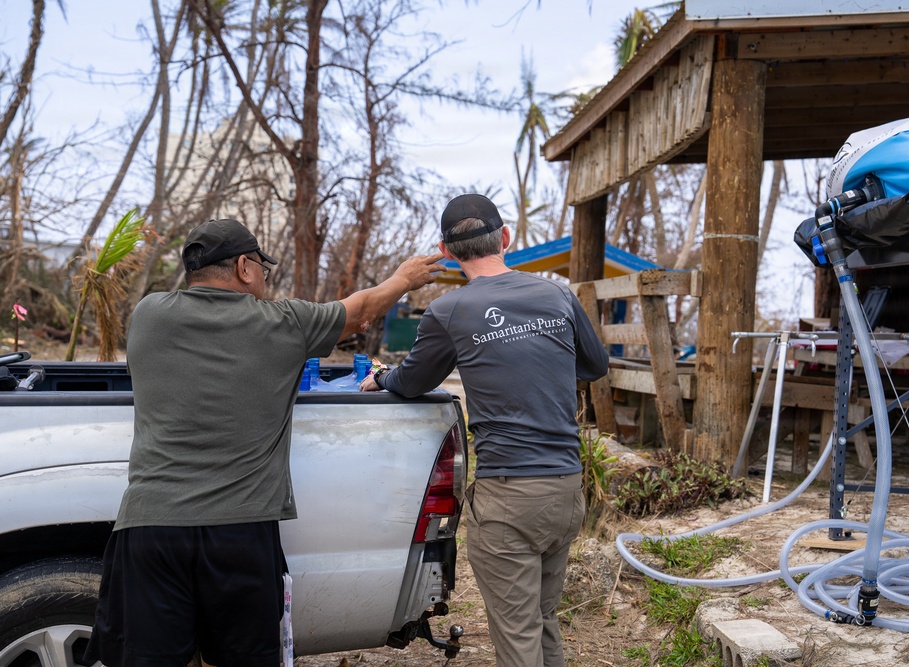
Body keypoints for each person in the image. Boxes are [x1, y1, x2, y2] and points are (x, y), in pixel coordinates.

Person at [84, 218, 443, 667]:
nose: (264, 281)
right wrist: (403, 278)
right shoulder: (284, 323)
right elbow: (360, 310)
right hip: (240, 534)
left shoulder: (149, 313)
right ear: (243, 267)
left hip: (150, 530)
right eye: (263, 270)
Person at [360, 193, 609, 667]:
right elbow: (595, 365)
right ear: (507, 237)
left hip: (509, 498)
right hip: (565, 489)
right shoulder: (556, 294)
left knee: (518, 637)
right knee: (542, 619)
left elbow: (412, 382)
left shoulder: (450, 311)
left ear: (447, 251)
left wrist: (380, 378)